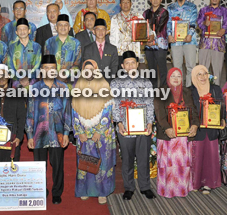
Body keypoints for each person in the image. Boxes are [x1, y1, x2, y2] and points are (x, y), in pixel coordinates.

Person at [26, 55, 72, 204]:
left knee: (58, 165)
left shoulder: (63, 87)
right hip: (40, 133)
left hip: (57, 133)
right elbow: (30, 113)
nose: (49, 71)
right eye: (46, 68)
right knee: (40, 165)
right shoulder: (34, 88)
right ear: (41, 70)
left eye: (52, 68)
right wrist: (30, 135)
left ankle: (57, 192)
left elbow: (67, 112)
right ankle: (41, 190)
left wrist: (66, 133)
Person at [112, 51, 156, 200]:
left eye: (133, 62)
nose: (130, 65)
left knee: (143, 157)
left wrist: (150, 122)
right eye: (127, 63)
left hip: (143, 126)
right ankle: (129, 188)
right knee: (127, 158)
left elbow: (150, 104)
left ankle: (145, 187)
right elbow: (115, 104)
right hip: (125, 127)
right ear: (123, 66)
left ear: (137, 64)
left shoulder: (146, 83)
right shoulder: (116, 83)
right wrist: (118, 122)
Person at [73, 60, 115, 204]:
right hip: (84, 133)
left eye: (92, 69)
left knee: (102, 162)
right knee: (85, 161)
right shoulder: (78, 87)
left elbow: (108, 111)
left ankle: (102, 192)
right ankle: (85, 189)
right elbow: (74, 111)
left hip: (101, 135)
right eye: (86, 69)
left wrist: (99, 131)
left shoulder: (104, 86)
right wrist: (80, 131)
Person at [154, 67, 199, 197]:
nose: (176, 78)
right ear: (168, 78)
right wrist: (167, 128)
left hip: (183, 137)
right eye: (173, 76)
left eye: (178, 76)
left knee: (182, 164)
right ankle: (167, 189)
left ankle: (182, 188)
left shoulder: (186, 91)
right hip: (168, 135)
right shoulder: (161, 91)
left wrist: (195, 125)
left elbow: (194, 111)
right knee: (167, 165)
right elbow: (159, 113)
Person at [189, 65, 224, 194]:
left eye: (205, 73)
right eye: (199, 74)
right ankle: (195, 183)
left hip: (211, 128)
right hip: (197, 129)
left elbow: (222, 105)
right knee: (196, 156)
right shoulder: (189, 91)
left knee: (210, 156)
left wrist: (222, 118)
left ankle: (208, 183)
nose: (202, 77)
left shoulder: (215, 89)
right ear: (194, 76)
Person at [167, 0, 198, 86]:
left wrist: (190, 35)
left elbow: (193, 23)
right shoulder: (170, 8)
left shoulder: (192, 7)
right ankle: (178, 91)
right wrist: (169, 35)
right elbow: (168, 23)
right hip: (175, 42)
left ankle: (189, 90)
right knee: (177, 68)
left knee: (191, 67)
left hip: (190, 40)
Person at [197, 0, 227, 86]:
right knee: (202, 69)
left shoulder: (225, 11)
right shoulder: (203, 10)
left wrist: (223, 29)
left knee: (217, 70)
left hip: (218, 44)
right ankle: (202, 92)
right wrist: (204, 23)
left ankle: (216, 93)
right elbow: (199, 23)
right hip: (205, 43)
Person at [43, 14, 81, 85]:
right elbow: (46, 64)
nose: (63, 27)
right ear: (56, 27)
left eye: (66, 25)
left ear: (69, 28)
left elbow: (77, 64)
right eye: (60, 25)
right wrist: (56, 75)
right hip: (52, 81)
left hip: (71, 82)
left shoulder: (76, 43)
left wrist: (65, 74)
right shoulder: (49, 42)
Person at [5, 18, 42, 88]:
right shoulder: (11, 47)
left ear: (29, 31)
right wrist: (20, 78)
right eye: (20, 29)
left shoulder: (37, 47)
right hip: (16, 83)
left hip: (32, 82)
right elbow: (10, 65)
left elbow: (38, 64)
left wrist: (28, 78)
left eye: (24, 29)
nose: (22, 31)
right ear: (16, 32)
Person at [145, 0, 170, 88]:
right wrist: (146, 40)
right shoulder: (145, 13)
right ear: (150, 0)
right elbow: (143, 28)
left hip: (160, 45)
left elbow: (160, 27)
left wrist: (152, 38)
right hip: (148, 45)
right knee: (151, 68)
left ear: (161, 0)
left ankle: (164, 88)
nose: (155, 0)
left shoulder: (164, 12)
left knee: (162, 68)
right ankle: (153, 88)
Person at [81, 19, 118, 83]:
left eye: (103, 29)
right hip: (92, 82)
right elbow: (87, 67)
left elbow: (114, 68)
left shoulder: (113, 49)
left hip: (109, 82)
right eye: (98, 29)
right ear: (93, 31)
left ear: (106, 31)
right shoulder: (88, 49)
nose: (100, 32)